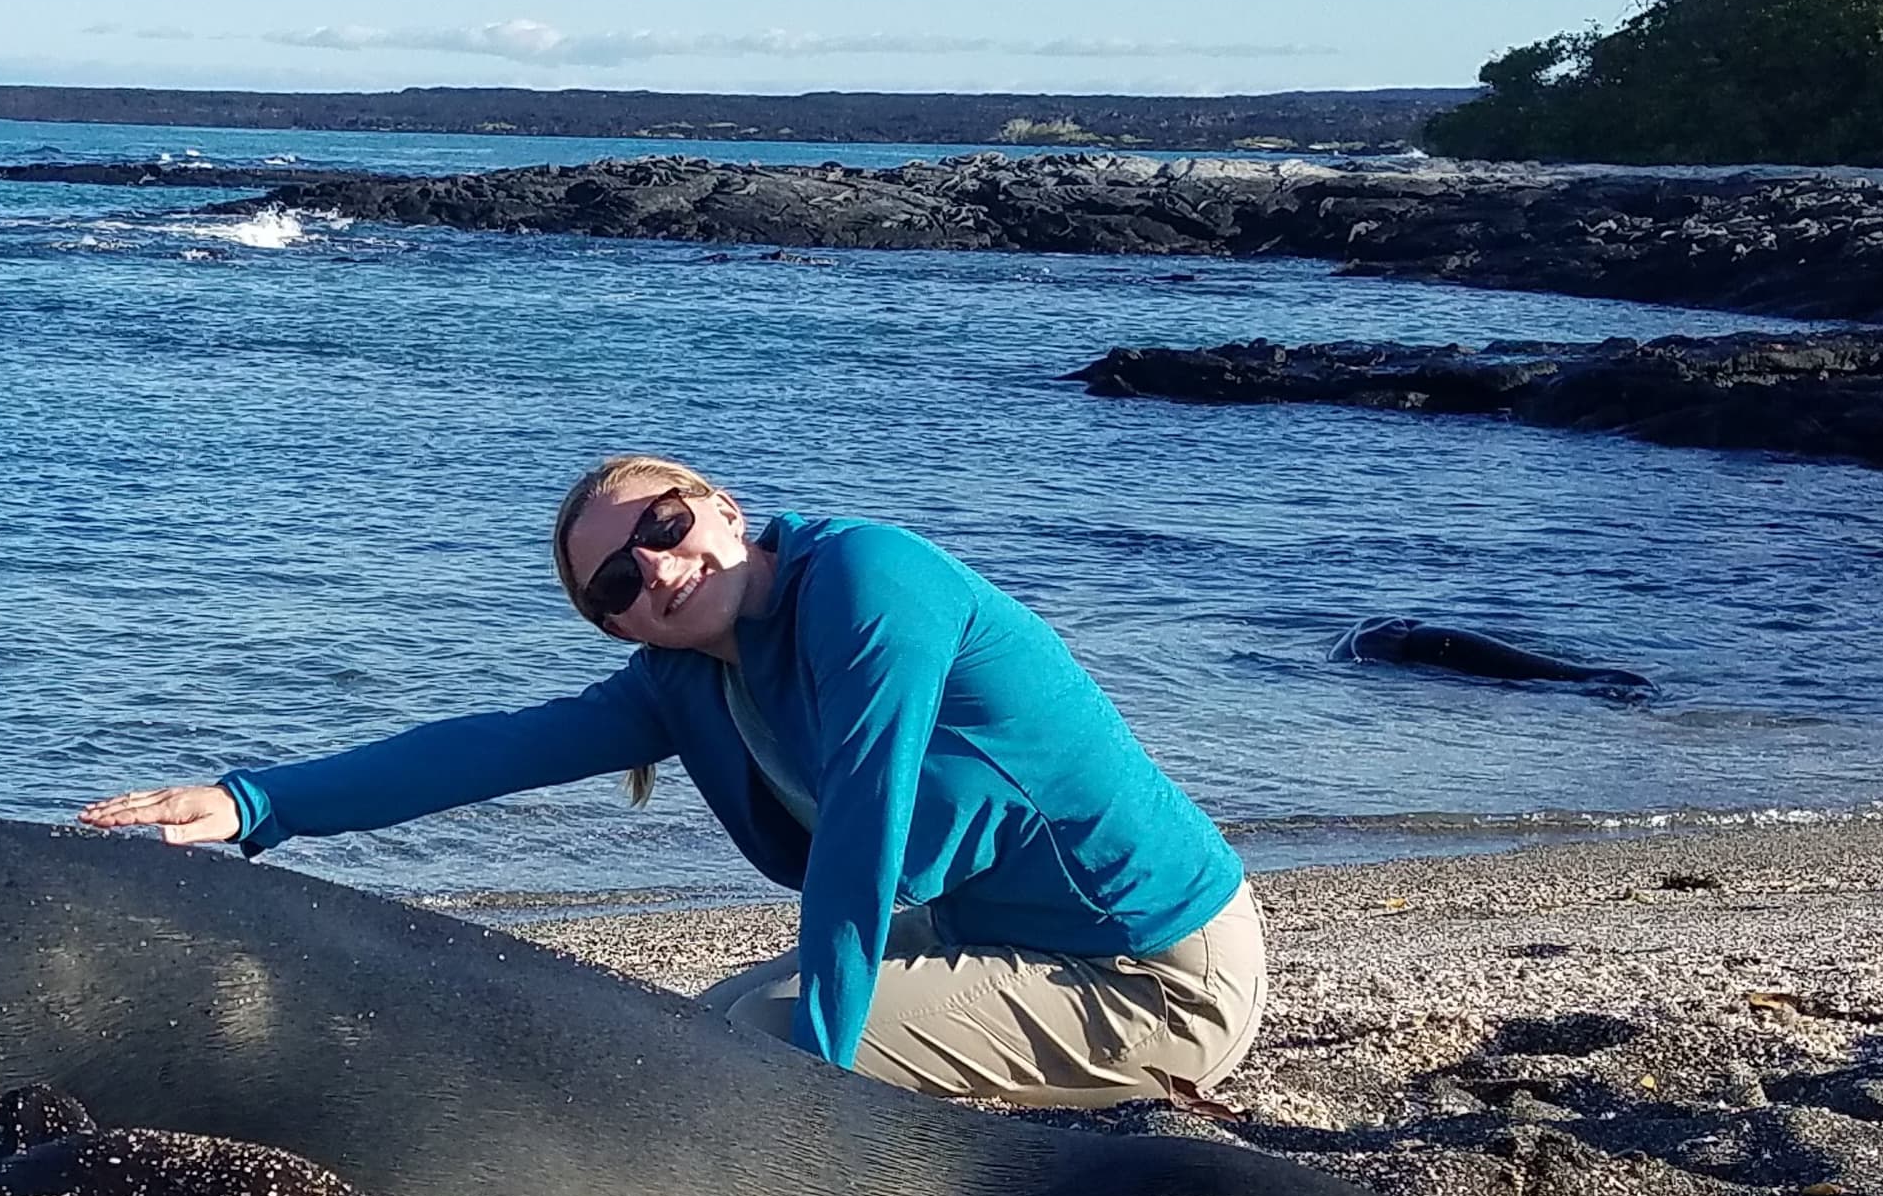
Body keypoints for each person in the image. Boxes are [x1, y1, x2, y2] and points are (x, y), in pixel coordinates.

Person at [80, 454, 1262, 1106]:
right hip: (1006, 944)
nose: (651, 568)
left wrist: (815, 1111)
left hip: (1155, 973)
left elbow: (866, 826)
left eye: (662, 522)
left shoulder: (869, 582)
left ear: (723, 509)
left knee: (764, 1060)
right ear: (613, 627)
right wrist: (257, 802)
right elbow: (487, 749)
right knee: (700, 1039)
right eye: (612, 587)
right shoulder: (685, 681)